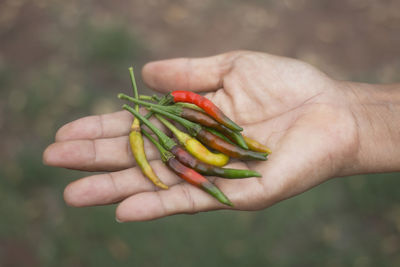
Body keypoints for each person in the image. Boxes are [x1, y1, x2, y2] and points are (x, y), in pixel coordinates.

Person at [42, 50, 400, 222]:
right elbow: (212, 157)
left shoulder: (193, 118)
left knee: (221, 140)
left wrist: (347, 116)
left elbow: (217, 135)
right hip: (186, 132)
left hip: (189, 125)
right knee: (214, 152)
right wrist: (353, 116)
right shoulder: (185, 134)